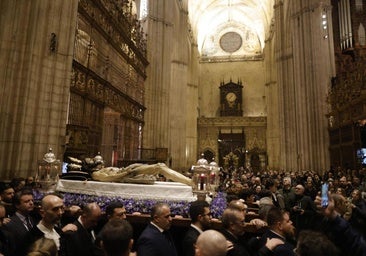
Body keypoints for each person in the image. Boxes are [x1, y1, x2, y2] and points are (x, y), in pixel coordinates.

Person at [4, 189, 36, 256]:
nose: (31, 203)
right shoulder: (9, 224)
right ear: (17, 205)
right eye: (27, 201)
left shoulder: (32, 219)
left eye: (32, 200)